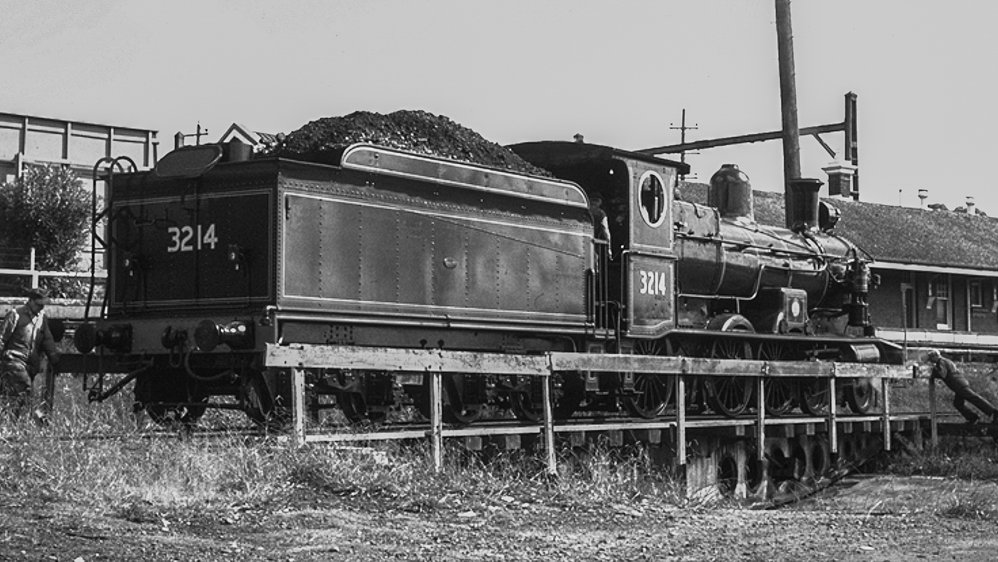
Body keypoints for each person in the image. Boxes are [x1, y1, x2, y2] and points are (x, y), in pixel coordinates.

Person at [0, 287, 60, 420]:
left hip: (30, 365)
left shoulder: (41, 318)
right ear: (30, 301)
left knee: (14, 397)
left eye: (43, 305)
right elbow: (2, 338)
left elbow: (47, 339)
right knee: (26, 391)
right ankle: (40, 422)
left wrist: (54, 357)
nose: (41, 308)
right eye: (39, 305)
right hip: (13, 362)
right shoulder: (15, 315)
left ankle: (11, 423)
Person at [924, 349, 998, 425]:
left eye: (931, 358)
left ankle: (994, 413)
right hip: (960, 383)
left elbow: (943, 374)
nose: (931, 361)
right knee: (958, 403)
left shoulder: (941, 362)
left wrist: (934, 370)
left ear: (935, 356)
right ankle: (973, 418)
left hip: (958, 384)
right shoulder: (946, 361)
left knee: (973, 398)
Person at [588, 193, 612, 258]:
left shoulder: (585, 210)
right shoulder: (601, 213)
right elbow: (605, 230)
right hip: (593, 240)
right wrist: (609, 248)